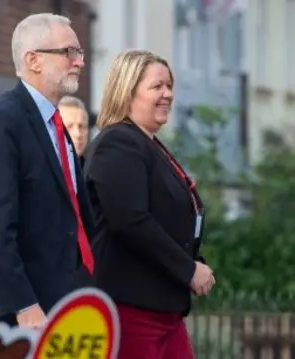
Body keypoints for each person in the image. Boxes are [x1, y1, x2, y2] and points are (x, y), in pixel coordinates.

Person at [0, 13, 95, 348]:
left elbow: (74, 220)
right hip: (6, 317)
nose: (79, 62)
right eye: (68, 52)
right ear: (33, 60)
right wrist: (23, 304)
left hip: (53, 305)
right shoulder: (2, 122)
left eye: (80, 53)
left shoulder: (57, 128)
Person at [83, 50, 216, 359]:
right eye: (157, 87)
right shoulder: (117, 143)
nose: (167, 94)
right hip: (131, 309)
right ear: (127, 91)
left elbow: (166, 220)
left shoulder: (149, 145)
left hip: (164, 308)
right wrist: (187, 269)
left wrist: (196, 264)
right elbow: (130, 221)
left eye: (169, 86)